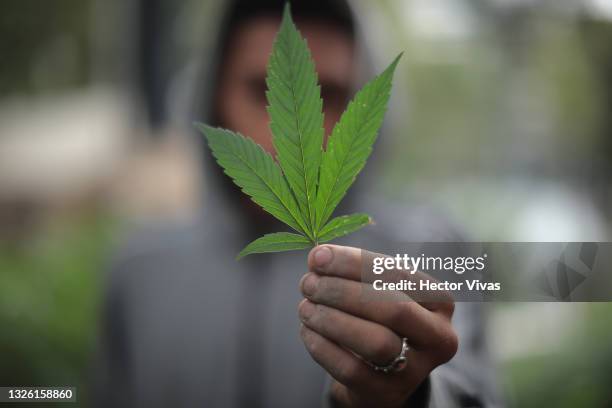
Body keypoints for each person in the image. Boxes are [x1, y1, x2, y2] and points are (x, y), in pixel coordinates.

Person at [94, 0, 501, 407]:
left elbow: (472, 389)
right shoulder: (141, 267)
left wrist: (417, 396)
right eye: (265, 91)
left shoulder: (432, 249)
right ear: (214, 98)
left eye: (332, 95)